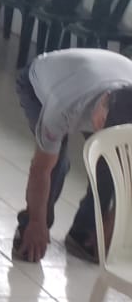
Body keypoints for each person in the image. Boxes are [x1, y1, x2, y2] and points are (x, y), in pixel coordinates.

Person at [12, 48, 132, 264]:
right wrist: (38, 221)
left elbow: (128, 178)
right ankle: (31, 228)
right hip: (41, 82)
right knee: (57, 163)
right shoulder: (64, 105)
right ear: (104, 101)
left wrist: (111, 226)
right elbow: (40, 170)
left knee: (111, 163)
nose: (102, 133)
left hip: (97, 73)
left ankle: (85, 231)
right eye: (103, 125)